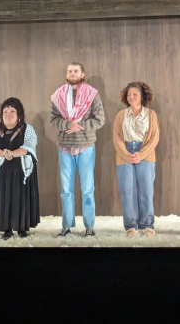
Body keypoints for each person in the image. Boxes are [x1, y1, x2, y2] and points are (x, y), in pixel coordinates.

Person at [50, 62, 105, 237]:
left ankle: (89, 226)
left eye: (76, 71)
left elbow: (100, 119)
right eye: (69, 71)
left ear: (82, 74)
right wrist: (68, 124)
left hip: (86, 146)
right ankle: (66, 225)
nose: (72, 73)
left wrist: (79, 125)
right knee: (66, 189)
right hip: (65, 147)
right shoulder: (58, 95)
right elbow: (53, 120)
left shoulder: (92, 94)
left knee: (87, 189)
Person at [0, 97, 40, 240]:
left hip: (22, 173)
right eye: (5, 112)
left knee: (20, 199)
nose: (8, 114)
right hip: (2, 174)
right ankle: (6, 229)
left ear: (19, 114)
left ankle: (22, 228)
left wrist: (12, 154)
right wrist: (3, 153)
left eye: (12, 111)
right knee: (4, 200)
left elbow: (29, 147)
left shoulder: (27, 129)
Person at [112, 82, 159, 237]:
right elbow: (117, 137)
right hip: (124, 154)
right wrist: (127, 155)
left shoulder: (151, 114)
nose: (131, 97)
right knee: (127, 191)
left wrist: (141, 154)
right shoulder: (121, 115)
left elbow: (154, 137)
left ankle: (147, 225)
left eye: (135, 94)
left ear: (142, 97)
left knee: (146, 190)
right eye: (129, 95)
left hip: (145, 154)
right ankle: (131, 226)